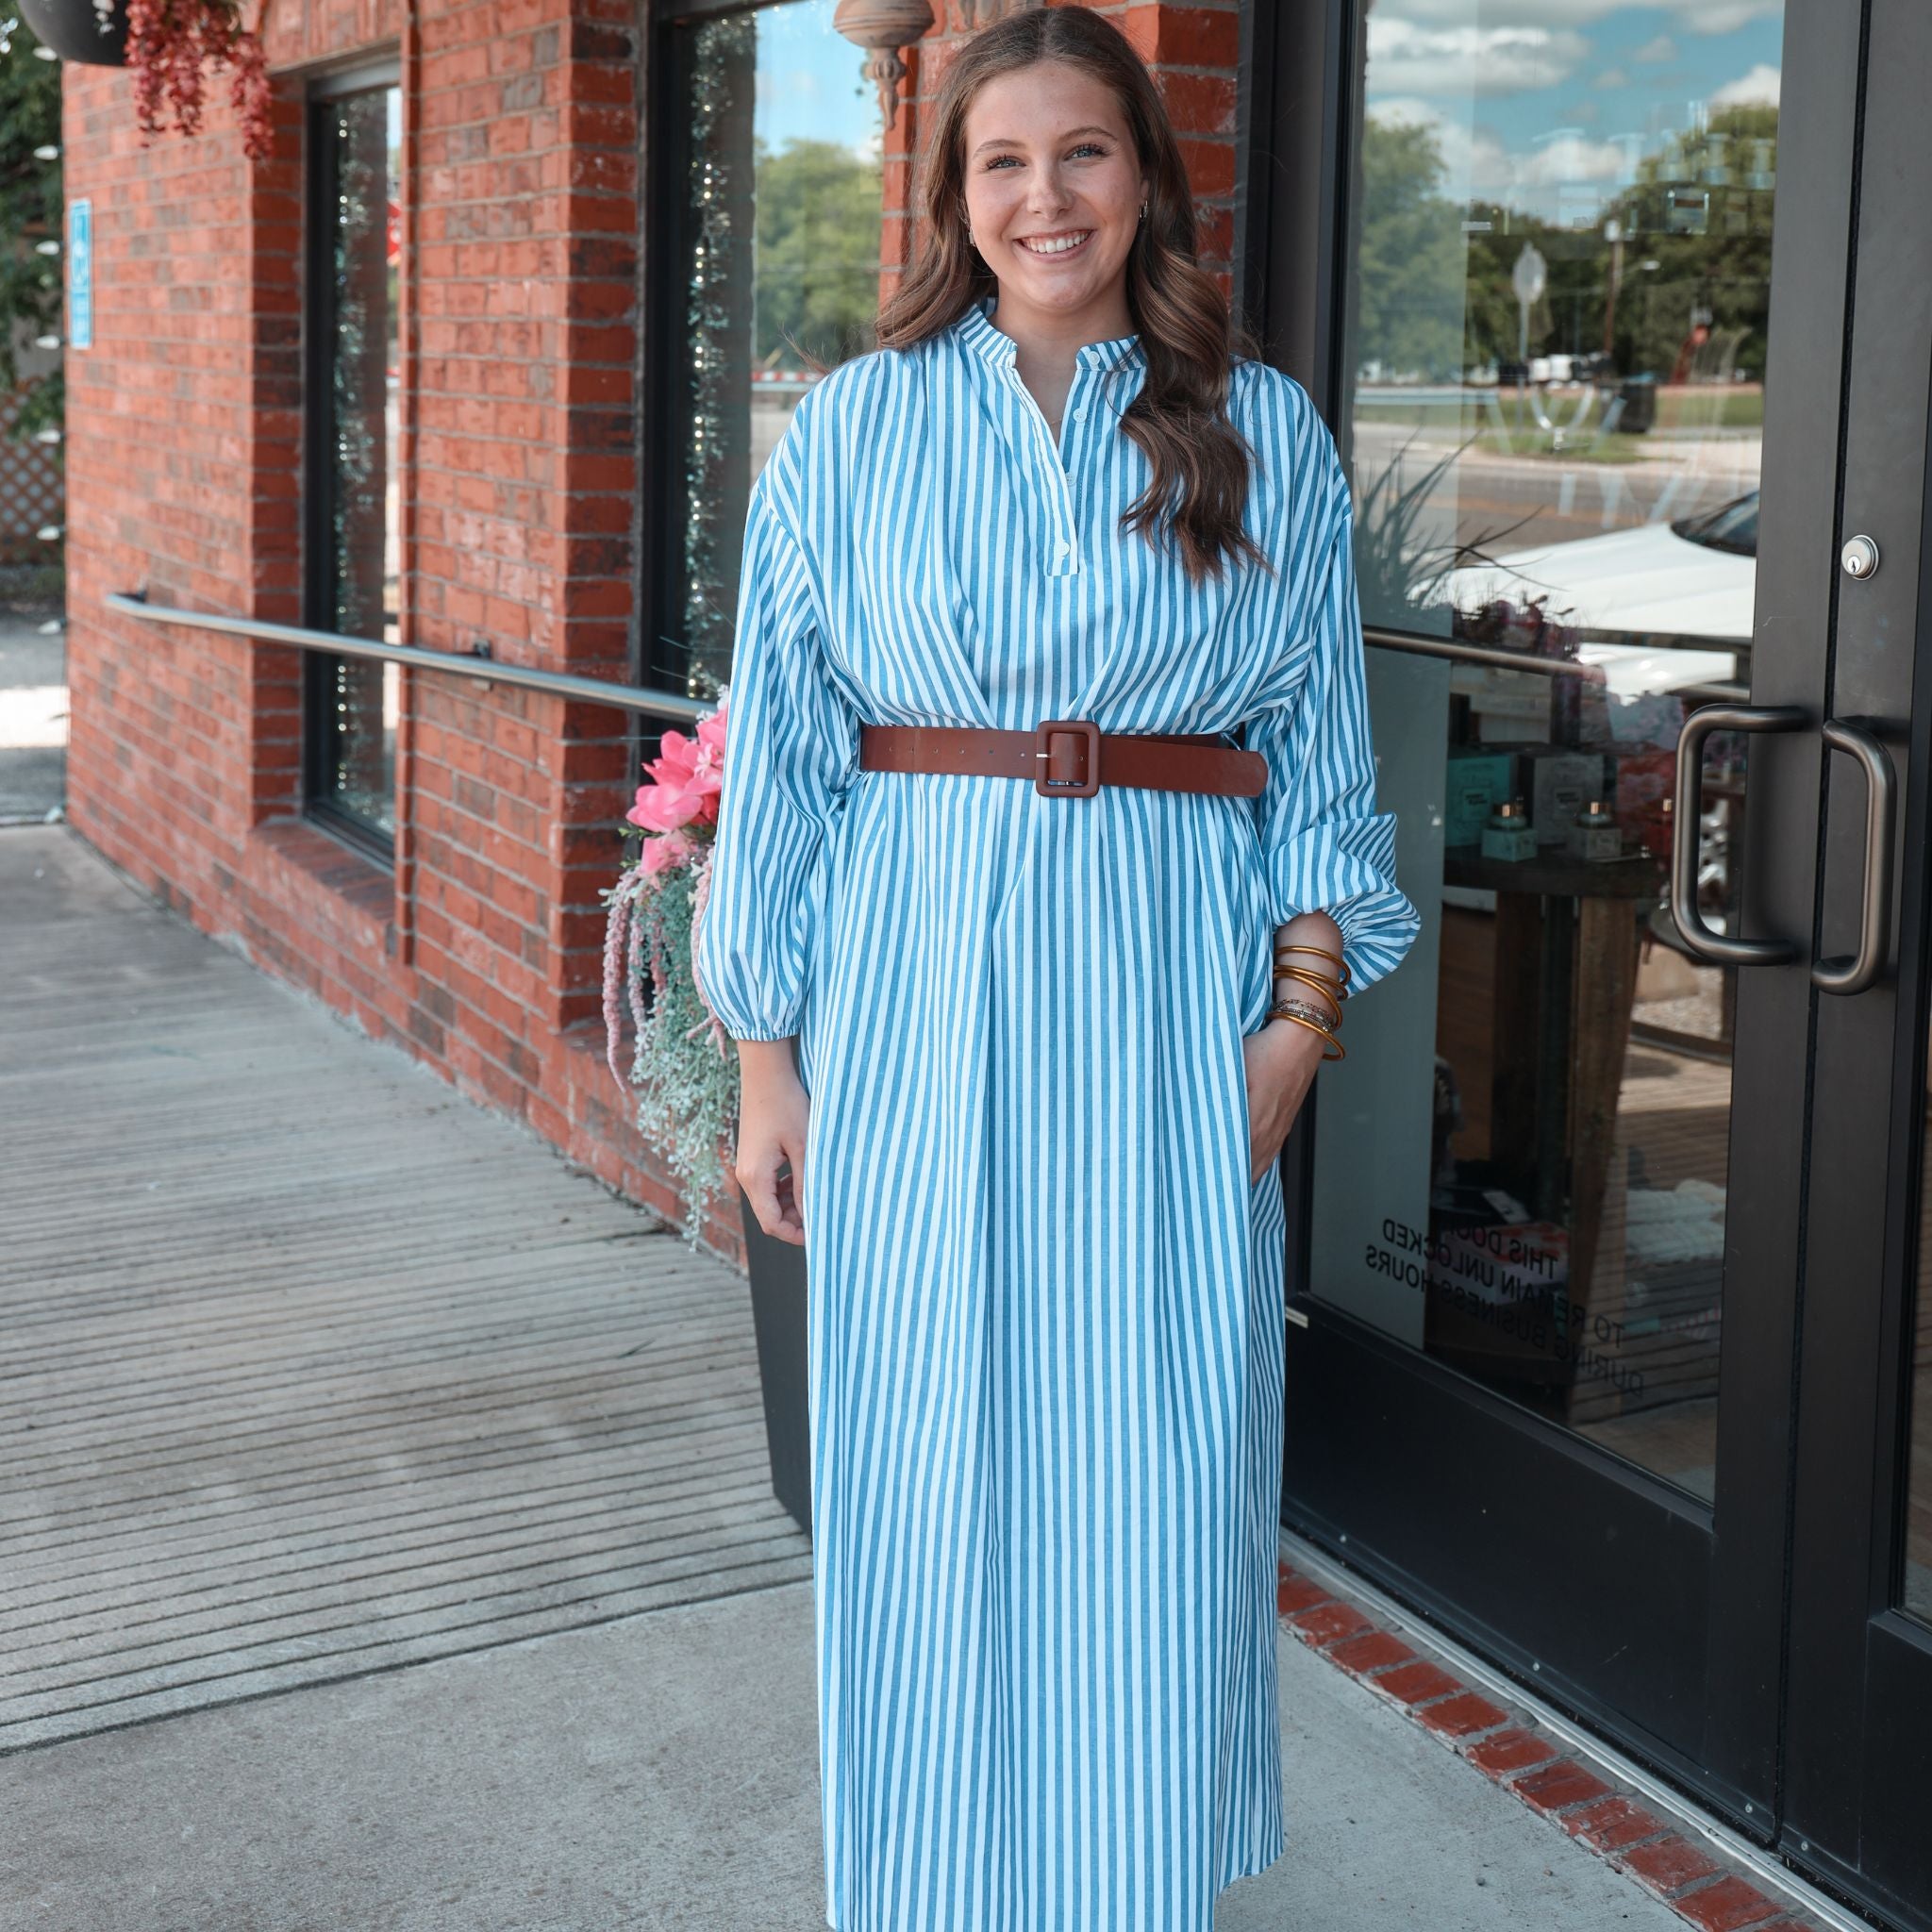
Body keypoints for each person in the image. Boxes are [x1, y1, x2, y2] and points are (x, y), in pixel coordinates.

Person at [692, 9, 1420, 1927]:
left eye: (1083, 152)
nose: (1044, 198)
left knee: (1148, 1490)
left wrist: (1297, 1027)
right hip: (914, 1004)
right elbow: (774, 747)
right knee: (922, 1474)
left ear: (1143, 177)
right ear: (951, 191)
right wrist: (769, 1065)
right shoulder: (852, 430)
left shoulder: (1260, 431)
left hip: (1167, 1009)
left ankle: (1129, 1882)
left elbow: (1325, 775)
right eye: (1001, 161)